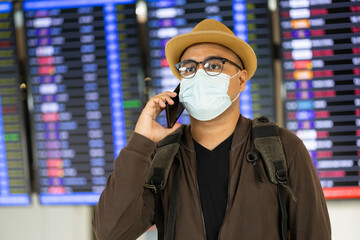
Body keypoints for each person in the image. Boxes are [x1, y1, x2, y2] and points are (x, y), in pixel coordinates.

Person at [93, 19, 331, 240]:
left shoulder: (284, 148)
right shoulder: (161, 157)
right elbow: (111, 233)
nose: (200, 75)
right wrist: (141, 142)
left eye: (214, 65)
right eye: (188, 68)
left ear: (241, 79)